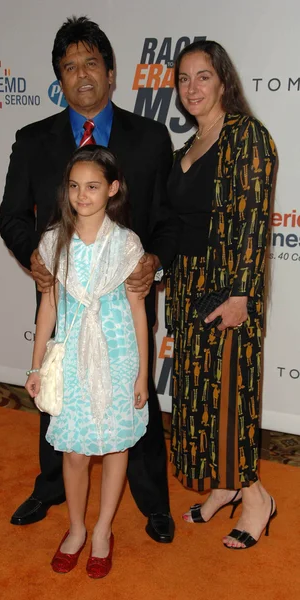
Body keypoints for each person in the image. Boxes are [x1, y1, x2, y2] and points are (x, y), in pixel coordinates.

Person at [0, 16, 176, 543]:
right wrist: (35, 255)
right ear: (60, 78)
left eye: (91, 63)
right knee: (58, 392)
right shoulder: (33, 140)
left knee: (136, 400)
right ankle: (51, 488)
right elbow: (11, 215)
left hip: (128, 298)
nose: (82, 75)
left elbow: (166, 220)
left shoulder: (149, 137)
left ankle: (152, 502)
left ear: (111, 71)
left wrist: (153, 262)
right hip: (64, 297)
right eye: (69, 67)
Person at [165, 40, 277, 549]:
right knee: (199, 398)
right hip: (188, 288)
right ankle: (224, 485)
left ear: (223, 80)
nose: (193, 87)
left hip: (227, 289)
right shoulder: (184, 148)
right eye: (184, 78)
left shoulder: (246, 136)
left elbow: (253, 223)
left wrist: (240, 295)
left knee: (229, 396)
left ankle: (255, 498)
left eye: (203, 76)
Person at [25, 145, 149, 577]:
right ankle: (76, 528)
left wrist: (143, 375)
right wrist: (36, 365)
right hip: (72, 356)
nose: (82, 195)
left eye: (93, 186)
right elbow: (48, 308)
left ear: (112, 189)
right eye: (75, 186)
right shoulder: (53, 241)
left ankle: (102, 531)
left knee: (116, 446)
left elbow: (139, 312)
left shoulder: (127, 244)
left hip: (118, 356)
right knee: (74, 452)